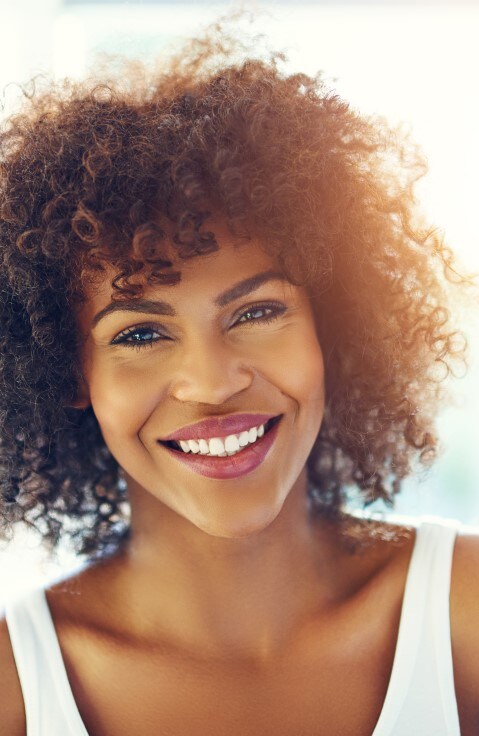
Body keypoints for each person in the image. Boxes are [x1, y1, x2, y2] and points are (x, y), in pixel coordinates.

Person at [0, 18, 478, 736]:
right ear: (68, 371)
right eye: (139, 332)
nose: (212, 382)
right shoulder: (18, 686)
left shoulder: (461, 609)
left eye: (256, 311)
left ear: (332, 325)